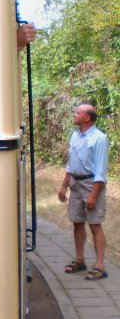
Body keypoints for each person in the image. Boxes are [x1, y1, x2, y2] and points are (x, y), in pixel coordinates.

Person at [57, 103, 110, 281]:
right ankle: (80, 260)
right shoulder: (75, 135)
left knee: (95, 224)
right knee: (77, 223)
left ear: (87, 117)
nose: (74, 114)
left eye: (77, 112)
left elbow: (101, 171)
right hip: (76, 184)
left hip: (91, 184)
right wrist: (64, 186)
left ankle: (99, 266)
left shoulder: (99, 138)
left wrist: (93, 195)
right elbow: (71, 164)